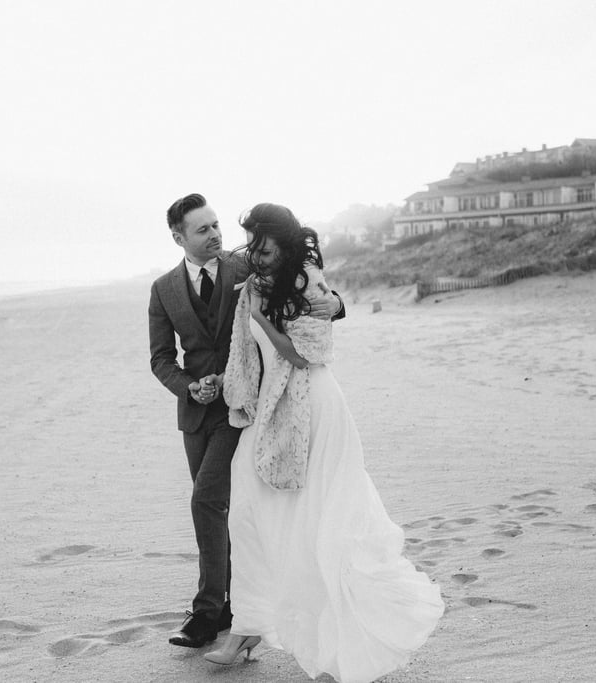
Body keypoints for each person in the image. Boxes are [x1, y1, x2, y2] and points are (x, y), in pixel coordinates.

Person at [204, 203, 444, 682]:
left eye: (264, 245)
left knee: (320, 519)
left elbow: (306, 354)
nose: (257, 253)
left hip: (313, 407)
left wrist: (264, 317)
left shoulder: (307, 283)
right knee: (248, 508)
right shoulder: (257, 279)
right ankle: (249, 622)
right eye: (251, 243)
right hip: (269, 407)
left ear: (285, 243)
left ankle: (339, 636)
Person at [148, 194, 344, 649]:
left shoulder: (248, 267)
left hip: (250, 407)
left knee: (206, 500)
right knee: (221, 510)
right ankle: (239, 610)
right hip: (198, 413)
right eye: (203, 230)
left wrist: (334, 303)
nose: (216, 235)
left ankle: (207, 611)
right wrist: (188, 386)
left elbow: (308, 286)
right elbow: (161, 359)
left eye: (216, 225)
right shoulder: (163, 289)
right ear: (179, 238)